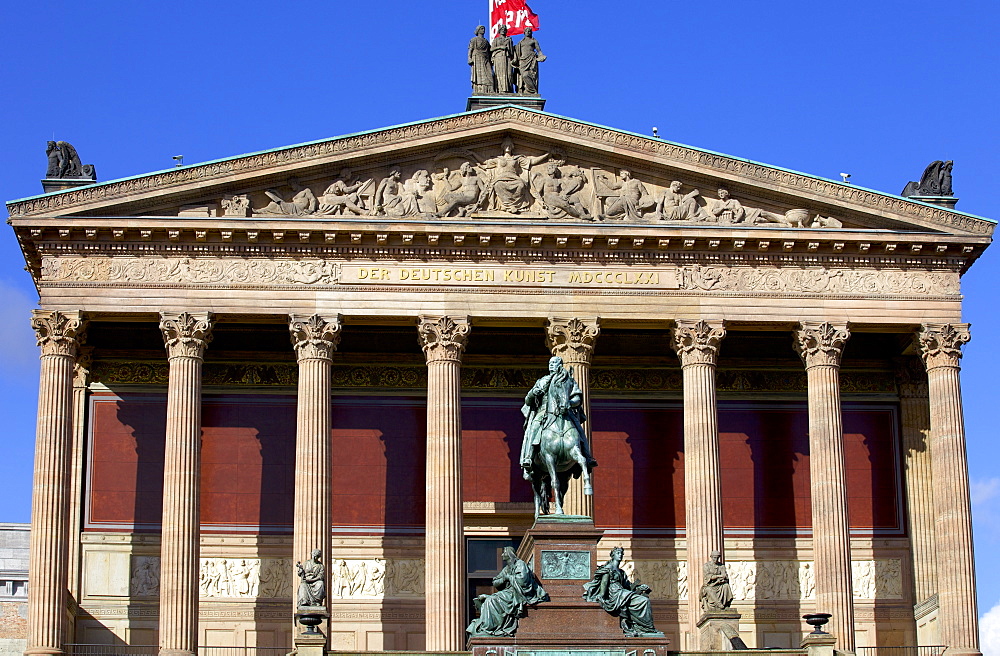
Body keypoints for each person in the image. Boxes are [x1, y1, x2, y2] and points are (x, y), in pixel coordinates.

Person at [520, 356, 597, 478]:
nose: (551, 365)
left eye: (555, 363)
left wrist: (569, 404)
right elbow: (528, 401)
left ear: (560, 365)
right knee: (534, 427)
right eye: (550, 363)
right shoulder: (541, 381)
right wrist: (533, 394)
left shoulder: (568, 381)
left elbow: (577, 398)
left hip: (565, 411)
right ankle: (528, 458)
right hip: (543, 411)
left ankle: (587, 457)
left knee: (579, 429)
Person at [467, 546, 548, 637]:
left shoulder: (520, 564)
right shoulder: (506, 568)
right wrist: (504, 579)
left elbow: (523, 581)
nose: (502, 555)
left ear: (509, 554)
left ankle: (489, 628)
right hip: (509, 592)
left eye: (504, 552)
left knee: (491, 600)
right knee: (490, 600)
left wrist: (508, 577)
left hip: (518, 593)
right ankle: (488, 626)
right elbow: (495, 582)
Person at [583, 546, 662, 637]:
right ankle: (647, 628)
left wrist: (640, 587)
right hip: (615, 594)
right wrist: (601, 596)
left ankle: (646, 628)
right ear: (612, 555)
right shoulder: (608, 568)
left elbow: (628, 586)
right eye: (618, 553)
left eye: (621, 553)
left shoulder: (621, 572)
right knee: (644, 601)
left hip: (623, 593)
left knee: (644, 600)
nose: (620, 555)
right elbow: (604, 584)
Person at [514, 27, 546, 94]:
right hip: (522, 60)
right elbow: (517, 52)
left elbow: (539, 51)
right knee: (523, 75)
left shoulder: (533, 41)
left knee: (528, 75)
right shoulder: (521, 42)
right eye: (527, 31)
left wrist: (541, 56)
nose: (528, 32)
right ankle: (524, 89)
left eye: (529, 31)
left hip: (531, 59)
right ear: (524, 33)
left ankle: (531, 90)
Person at [469, 26, 494, 95]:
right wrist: (469, 58)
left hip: (485, 58)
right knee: (479, 75)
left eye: (484, 29)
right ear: (478, 30)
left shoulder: (486, 41)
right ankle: (480, 88)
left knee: (490, 74)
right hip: (477, 58)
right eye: (481, 29)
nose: (483, 30)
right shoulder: (474, 40)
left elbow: (490, 51)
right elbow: (470, 49)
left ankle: (490, 89)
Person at [491, 25, 515, 93]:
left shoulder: (509, 39)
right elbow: (491, 49)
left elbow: (511, 51)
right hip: (499, 57)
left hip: (507, 58)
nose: (503, 30)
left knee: (508, 74)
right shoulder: (496, 40)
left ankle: (509, 89)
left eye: (504, 29)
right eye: (502, 29)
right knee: (500, 73)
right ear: (499, 31)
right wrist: (500, 47)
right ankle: (500, 89)